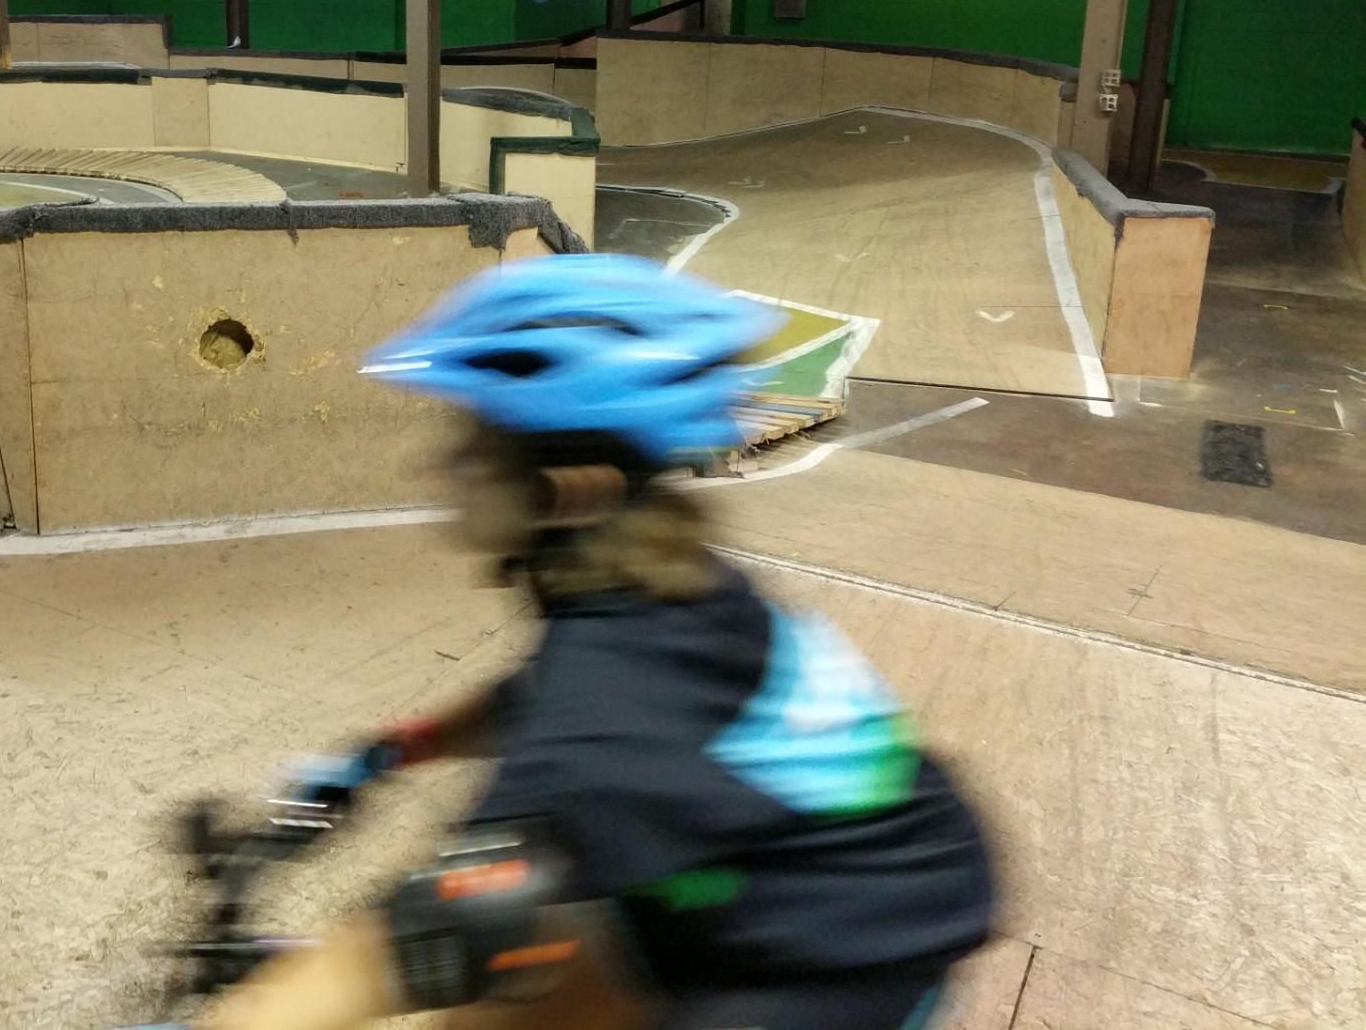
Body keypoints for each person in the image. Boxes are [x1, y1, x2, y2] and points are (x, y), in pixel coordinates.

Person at [200, 255, 994, 1030]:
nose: (441, 464)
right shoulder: (654, 590)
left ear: (569, 489)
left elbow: (427, 933)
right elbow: (535, 695)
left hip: (855, 952)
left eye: (474, 447)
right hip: (786, 866)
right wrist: (395, 747)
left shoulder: (607, 704)